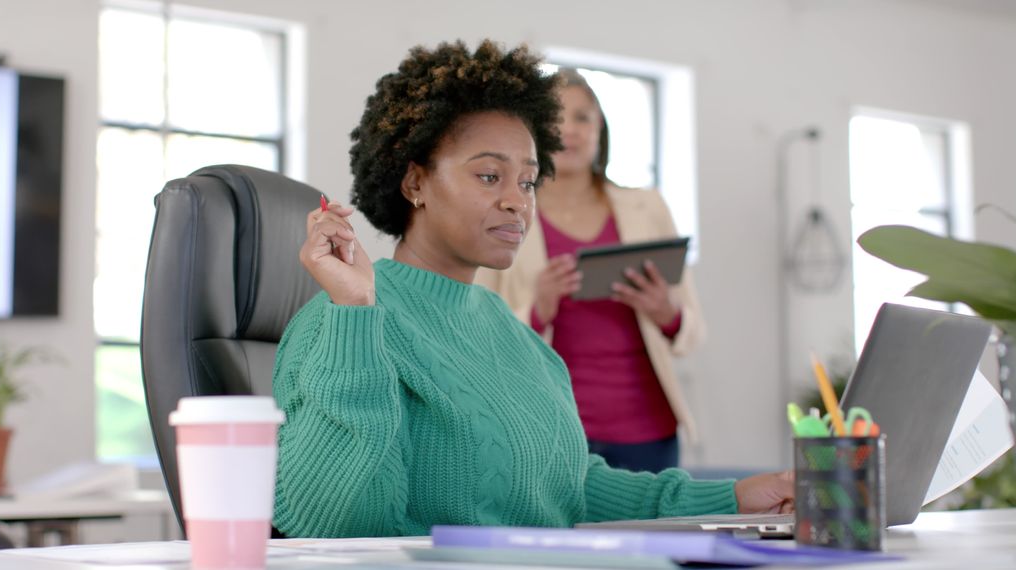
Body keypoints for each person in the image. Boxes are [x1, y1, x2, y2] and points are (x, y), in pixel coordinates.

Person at [271, 40, 792, 538]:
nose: (518, 203)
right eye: (489, 176)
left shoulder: (516, 337)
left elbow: (572, 487)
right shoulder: (343, 319)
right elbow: (331, 522)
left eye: (526, 181)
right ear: (415, 184)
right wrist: (356, 311)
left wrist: (735, 497)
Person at [476, 69, 700, 474]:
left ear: (600, 129)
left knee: (651, 535)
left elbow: (691, 325)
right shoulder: (504, 213)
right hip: (551, 429)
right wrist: (539, 306)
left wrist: (665, 312)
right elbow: (477, 329)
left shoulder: (647, 207)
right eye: (555, 117)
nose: (570, 130)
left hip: (649, 430)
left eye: (582, 117)